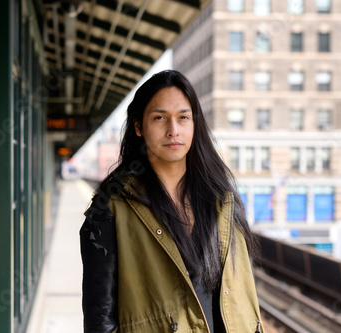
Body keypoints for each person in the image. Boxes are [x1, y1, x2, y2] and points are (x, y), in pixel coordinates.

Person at [80, 70, 264, 333]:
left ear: (194, 124)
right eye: (159, 118)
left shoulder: (222, 202)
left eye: (183, 117)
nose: (173, 130)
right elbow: (101, 322)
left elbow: (243, 300)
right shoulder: (111, 209)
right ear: (138, 127)